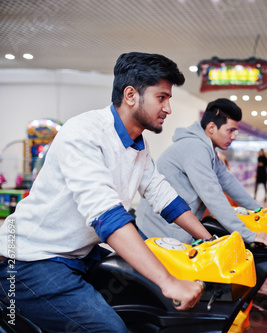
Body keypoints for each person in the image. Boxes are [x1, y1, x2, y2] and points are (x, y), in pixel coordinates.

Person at [0, 52, 213, 332]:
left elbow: (164, 197)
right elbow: (106, 215)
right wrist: (169, 282)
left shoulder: (138, 144)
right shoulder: (84, 133)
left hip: (78, 254)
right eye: (162, 97)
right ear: (131, 95)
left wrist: (209, 240)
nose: (168, 108)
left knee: (144, 301)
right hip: (31, 260)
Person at [135, 98, 267, 249]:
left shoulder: (209, 151)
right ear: (212, 127)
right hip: (157, 234)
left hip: (172, 230)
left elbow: (229, 182)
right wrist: (248, 235)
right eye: (230, 130)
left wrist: (262, 211)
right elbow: (213, 196)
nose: (234, 136)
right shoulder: (196, 147)